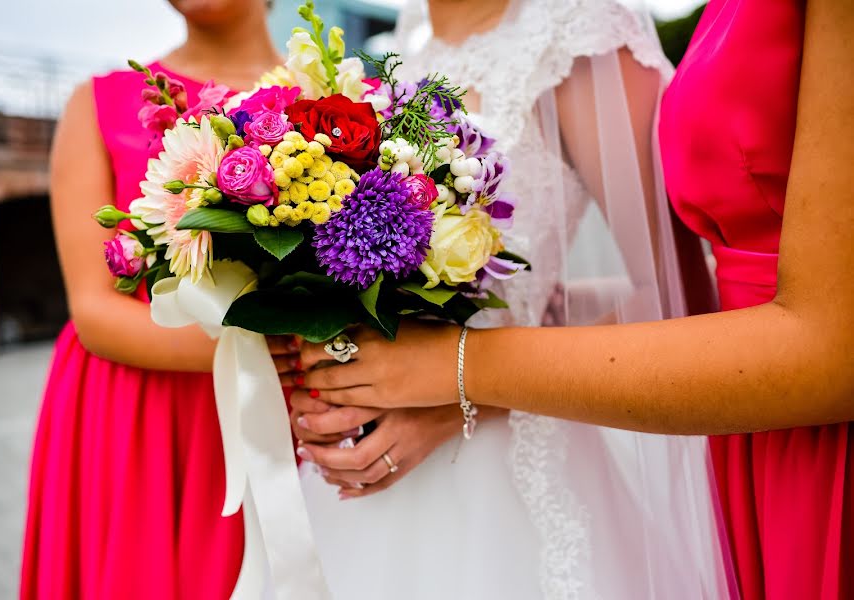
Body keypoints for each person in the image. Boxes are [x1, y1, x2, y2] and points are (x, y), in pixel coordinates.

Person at [296, 0, 854, 598]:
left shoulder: (575, 37)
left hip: (514, 473)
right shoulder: (405, 50)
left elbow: (676, 294)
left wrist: (462, 389)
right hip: (366, 487)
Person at [20, 1, 286, 598]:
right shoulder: (98, 103)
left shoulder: (346, 99)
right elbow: (93, 309)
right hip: (139, 413)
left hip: (294, 416)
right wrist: (282, 350)